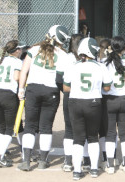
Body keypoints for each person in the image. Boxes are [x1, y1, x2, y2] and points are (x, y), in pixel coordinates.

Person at [17, 25, 70, 171]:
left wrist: (21, 88)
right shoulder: (64, 55)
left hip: (33, 89)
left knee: (30, 126)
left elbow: (24, 71)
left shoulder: (33, 50)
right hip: (51, 91)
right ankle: (42, 161)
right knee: (46, 127)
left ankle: (26, 161)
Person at [63, 37, 112, 180]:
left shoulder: (74, 65)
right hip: (93, 102)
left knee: (78, 138)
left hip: (75, 102)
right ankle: (95, 169)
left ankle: (77, 171)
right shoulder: (100, 66)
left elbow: (66, 87)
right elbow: (107, 87)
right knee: (92, 137)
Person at [0, 40, 26, 167]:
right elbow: (17, 78)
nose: (22, 51)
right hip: (8, 95)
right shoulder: (18, 62)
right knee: (9, 127)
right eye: (21, 49)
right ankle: (0, 155)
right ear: (17, 50)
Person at [103, 36, 125, 174]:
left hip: (109, 100)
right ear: (124, 48)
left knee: (110, 133)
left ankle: (110, 165)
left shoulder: (105, 62)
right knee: (124, 133)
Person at [56, 33, 85, 172]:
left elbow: (58, 79)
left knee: (69, 129)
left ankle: (68, 161)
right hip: (86, 96)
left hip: (70, 95)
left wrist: (66, 92)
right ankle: (85, 161)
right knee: (85, 129)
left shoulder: (65, 57)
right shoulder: (88, 58)